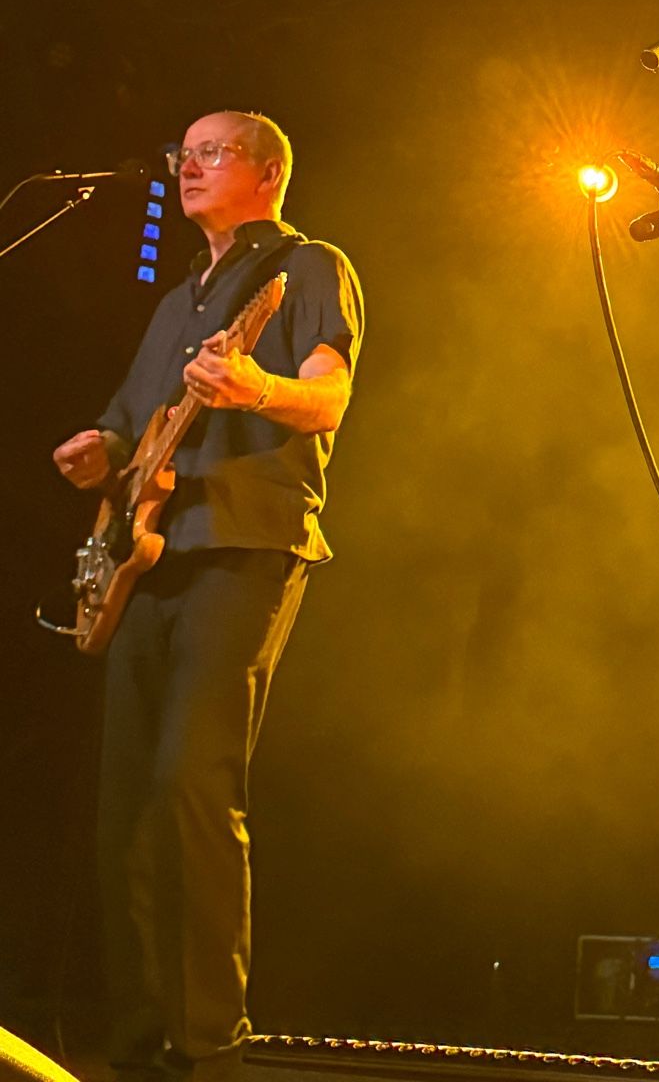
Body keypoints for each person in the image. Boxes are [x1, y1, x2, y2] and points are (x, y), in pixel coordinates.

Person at [52, 110, 364, 1082]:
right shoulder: (175, 298)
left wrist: (253, 386)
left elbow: (328, 394)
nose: (188, 166)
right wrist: (97, 449)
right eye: (182, 154)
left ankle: (211, 1047)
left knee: (194, 782)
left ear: (268, 172)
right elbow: (127, 425)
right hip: (149, 556)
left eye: (212, 151)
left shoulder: (307, 268)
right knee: (125, 808)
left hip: (244, 544)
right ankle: (138, 1045)